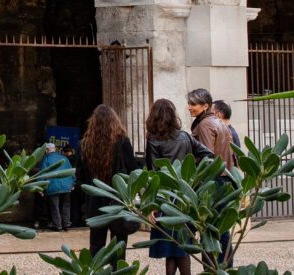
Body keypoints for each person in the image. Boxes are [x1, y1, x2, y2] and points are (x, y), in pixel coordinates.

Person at [145, 98, 214, 275]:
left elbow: (153, 173)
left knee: (171, 248)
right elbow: (209, 155)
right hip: (186, 196)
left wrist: (151, 205)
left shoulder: (153, 141)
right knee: (182, 247)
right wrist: (195, 174)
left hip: (165, 198)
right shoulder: (185, 137)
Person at [78, 104, 141, 254]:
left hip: (95, 199)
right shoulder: (122, 142)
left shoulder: (85, 145)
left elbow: (80, 177)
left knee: (96, 246)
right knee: (119, 246)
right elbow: (133, 170)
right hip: (118, 198)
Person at [187, 88, 234, 268]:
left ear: (205, 105)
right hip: (224, 179)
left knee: (211, 227)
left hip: (213, 181)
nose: (189, 107)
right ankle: (225, 266)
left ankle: (214, 268)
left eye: (194, 104)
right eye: (189, 103)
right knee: (221, 226)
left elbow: (207, 157)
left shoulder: (205, 125)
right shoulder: (218, 122)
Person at [40, 142, 75, 231]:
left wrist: (40, 188)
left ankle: (58, 225)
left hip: (53, 187)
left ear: (47, 150)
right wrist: (73, 183)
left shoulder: (46, 159)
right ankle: (66, 224)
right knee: (66, 206)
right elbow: (71, 171)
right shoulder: (65, 158)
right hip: (66, 186)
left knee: (55, 207)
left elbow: (42, 174)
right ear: (55, 149)